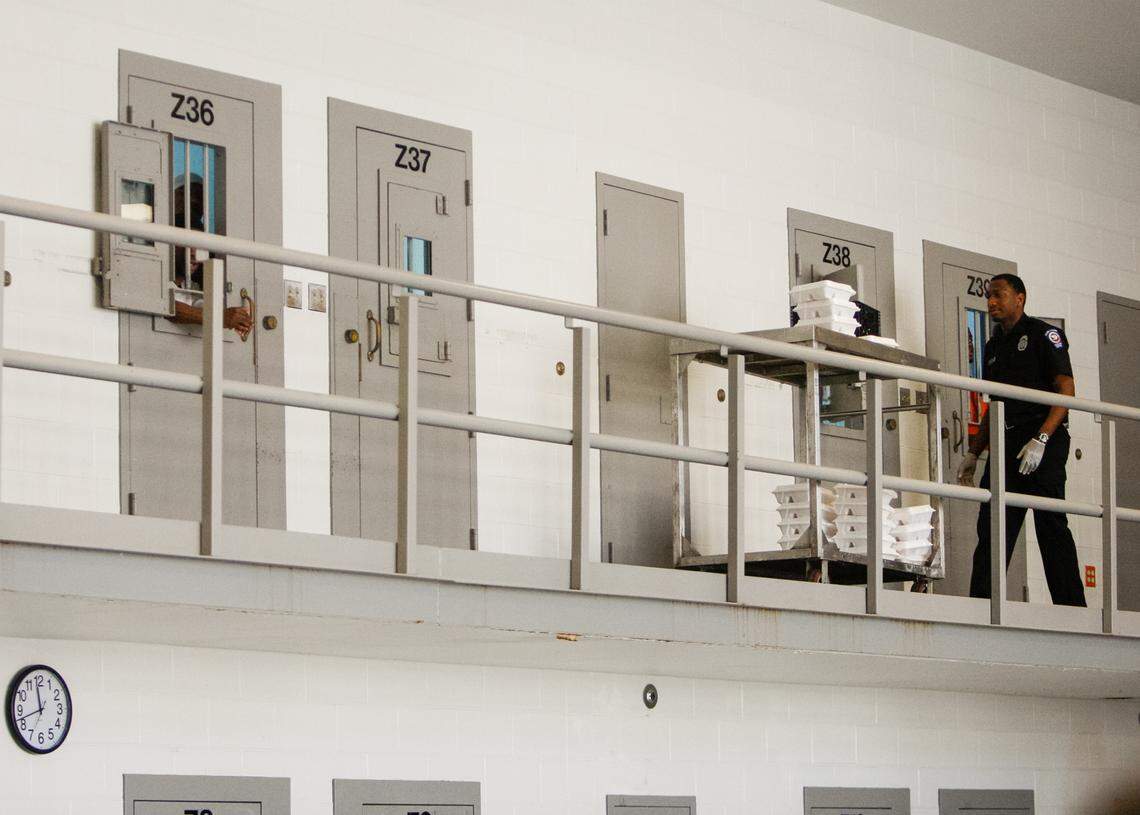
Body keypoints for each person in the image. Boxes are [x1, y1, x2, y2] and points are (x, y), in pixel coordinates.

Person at [956, 273, 1086, 606]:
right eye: (988, 296)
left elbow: (1066, 390)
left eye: (998, 294)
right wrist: (973, 453)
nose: (991, 302)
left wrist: (1041, 438)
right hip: (1007, 444)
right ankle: (980, 608)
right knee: (992, 527)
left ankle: (1072, 610)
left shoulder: (1044, 335)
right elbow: (994, 404)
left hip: (1045, 440)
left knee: (1050, 525)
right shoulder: (993, 346)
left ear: (1020, 298)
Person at [169, 173, 252, 340]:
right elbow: (167, 306)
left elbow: (199, 305)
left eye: (199, 196)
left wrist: (236, 318)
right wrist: (220, 317)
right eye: (185, 194)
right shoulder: (157, 274)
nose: (193, 201)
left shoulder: (192, 285)